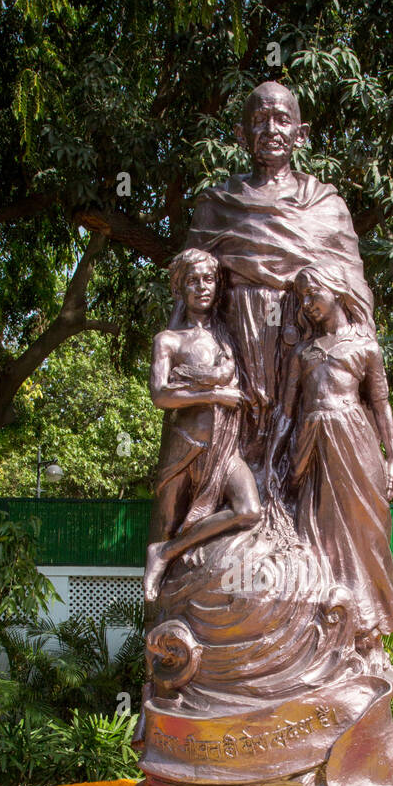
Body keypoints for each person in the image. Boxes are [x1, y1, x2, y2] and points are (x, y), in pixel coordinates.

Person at [185, 82, 374, 456]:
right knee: (235, 454)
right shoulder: (216, 204)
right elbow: (188, 288)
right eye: (260, 120)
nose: (271, 130)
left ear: (300, 135)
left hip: (304, 339)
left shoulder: (326, 205)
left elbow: (355, 289)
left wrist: (359, 357)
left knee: (296, 449)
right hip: (233, 343)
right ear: (242, 135)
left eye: (282, 120)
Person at [265, 263, 393, 643]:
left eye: (314, 294)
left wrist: (392, 457)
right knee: (320, 533)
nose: (307, 304)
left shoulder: (365, 347)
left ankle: (368, 626)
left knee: (365, 532)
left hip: (356, 444)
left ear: (337, 292)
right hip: (313, 446)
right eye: (302, 298)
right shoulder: (304, 353)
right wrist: (272, 459)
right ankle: (326, 621)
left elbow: (381, 405)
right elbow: (287, 413)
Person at [143, 248, 260, 603]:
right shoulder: (169, 341)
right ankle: (164, 571)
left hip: (225, 449)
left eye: (208, 279)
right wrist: (215, 395)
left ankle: (164, 552)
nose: (202, 287)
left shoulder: (227, 336)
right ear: (180, 288)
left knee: (249, 510)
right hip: (188, 446)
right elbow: (161, 395)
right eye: (193, 281)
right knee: (168, 519)